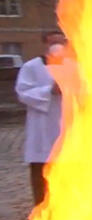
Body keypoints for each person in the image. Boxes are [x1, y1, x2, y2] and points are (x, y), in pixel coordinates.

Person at [16, 31, 68, 206]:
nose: (57, 44)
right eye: (53, 41)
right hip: (42, 127)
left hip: (68, 126)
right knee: (42, 173)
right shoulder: (32, 67)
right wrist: (48, 91)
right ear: (45, 43)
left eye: (61, 40)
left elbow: (86, 92)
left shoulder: (74, 67)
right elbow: (23, 92)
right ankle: (42, 210)